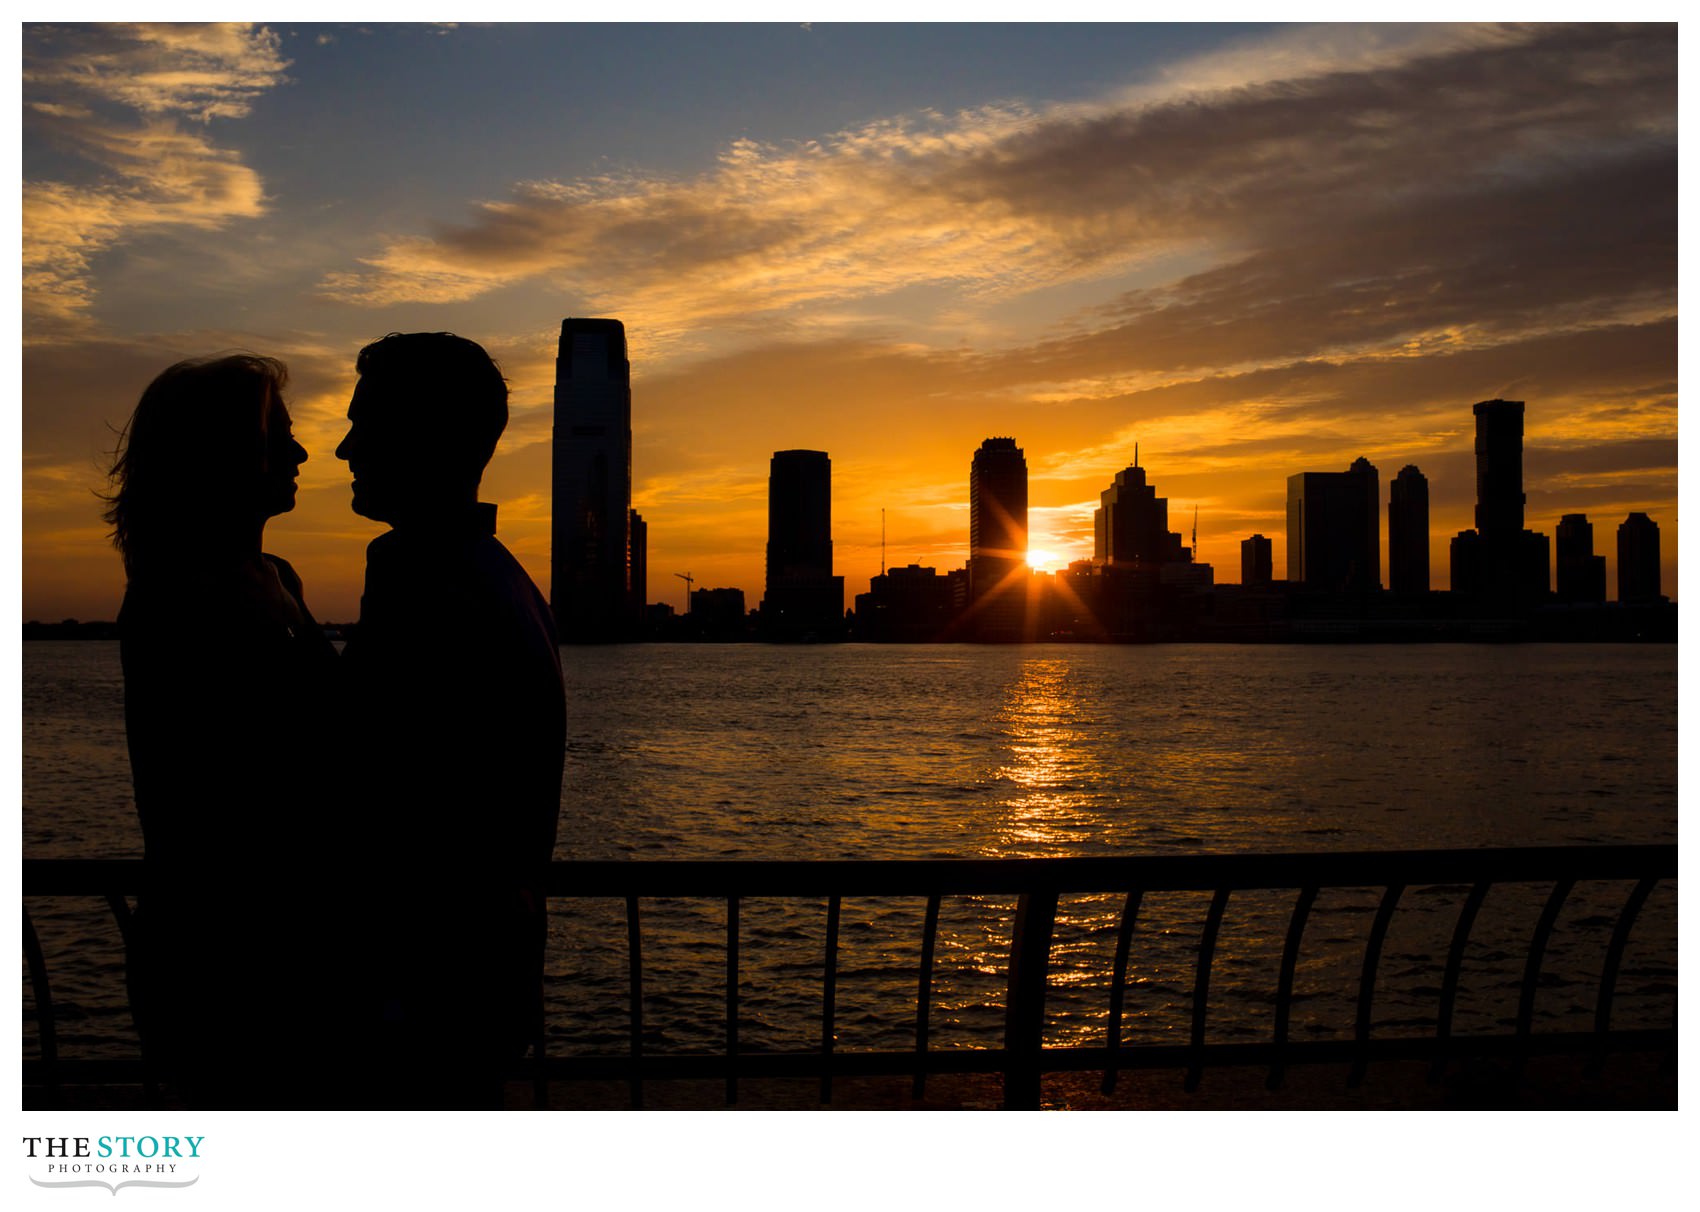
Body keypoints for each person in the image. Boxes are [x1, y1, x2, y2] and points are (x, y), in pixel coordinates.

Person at [336, 332, 565, 1107]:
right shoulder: (491, 578)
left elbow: (390, 796)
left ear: (426, 437)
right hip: (467, 988)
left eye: (365, 425)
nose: (344, 448)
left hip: (422, 999)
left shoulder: (437, 590)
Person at [104, 353, 340, 1106]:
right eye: (281, 434)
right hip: (223, 950)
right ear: (222, 452)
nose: (301, 453)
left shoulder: (278, 576)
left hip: (296, 942)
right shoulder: (178, 599)